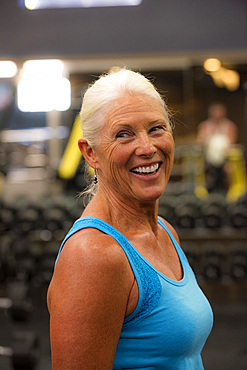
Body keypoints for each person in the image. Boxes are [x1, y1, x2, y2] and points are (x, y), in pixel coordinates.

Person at [47, 68, 213, 370]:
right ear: (91, 153)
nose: (147, 147)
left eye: (156, 129)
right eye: (124, 134)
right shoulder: (93, 257)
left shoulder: (165, 232)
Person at [197, 102, 238, 193]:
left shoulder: (229, 126)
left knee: (229, 169)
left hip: (225, 157)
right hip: (208, 159)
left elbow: (232, 141)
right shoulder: (205, 126)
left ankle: (226, 191)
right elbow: (200, 140)